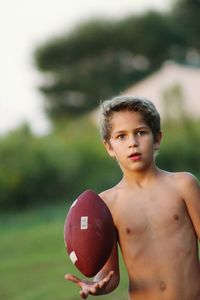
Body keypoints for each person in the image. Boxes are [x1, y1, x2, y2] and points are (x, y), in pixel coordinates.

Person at [65, 95, 200, 299]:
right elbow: (110, 274)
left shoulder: (183, 185)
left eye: (141, 132)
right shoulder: (106, 204)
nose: (133, 143)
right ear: (109, 147)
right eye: (121, 136)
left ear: (157, 139)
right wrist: (98, 284)